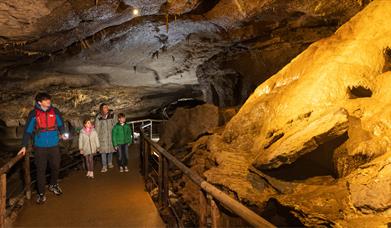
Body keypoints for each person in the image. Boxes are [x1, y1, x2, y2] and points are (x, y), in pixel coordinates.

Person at [18, 92, 66, 204]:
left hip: (54, 145)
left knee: (55, 166)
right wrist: (24, 146)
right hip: (40, 147)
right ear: (39, 102)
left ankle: (53, 184)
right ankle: (41, 193)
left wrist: (63, 133)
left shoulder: (55, 111)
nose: (49, 101)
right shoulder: (34, 113)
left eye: (49, 99)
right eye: (46, 100)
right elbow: (28, 131)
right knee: (41, 170)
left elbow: (61, 124)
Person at [95, 103, 117, 172]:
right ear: (101, 108)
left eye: (106, 107)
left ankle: (109, 163)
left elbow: (115, 125)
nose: (106, 108)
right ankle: (104, 166)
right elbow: (97, 128)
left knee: (111, 150)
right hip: (103, 137)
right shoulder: (99, 117)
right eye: (104, 107)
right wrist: (97, 139)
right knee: (103, 152)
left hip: (111, 136)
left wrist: (115, 134)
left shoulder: (112, 115)